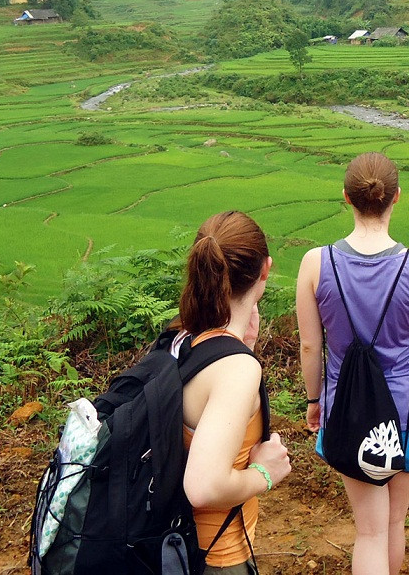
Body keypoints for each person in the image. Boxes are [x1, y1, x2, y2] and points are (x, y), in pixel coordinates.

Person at [296, 152, 409, 575]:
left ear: (346, 197)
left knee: (369, 531)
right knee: (395, 521)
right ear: (396, 197)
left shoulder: (316, 263)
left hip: (346, 412)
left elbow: (311, 347)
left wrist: (315, 400)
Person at [180, 211, 293, 574]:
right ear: (266, 270)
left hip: (169, 542)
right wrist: (265, 472)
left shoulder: (182, 338)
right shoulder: (236, 370)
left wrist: (243, 345)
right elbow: (203, 487)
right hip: (213, 555)